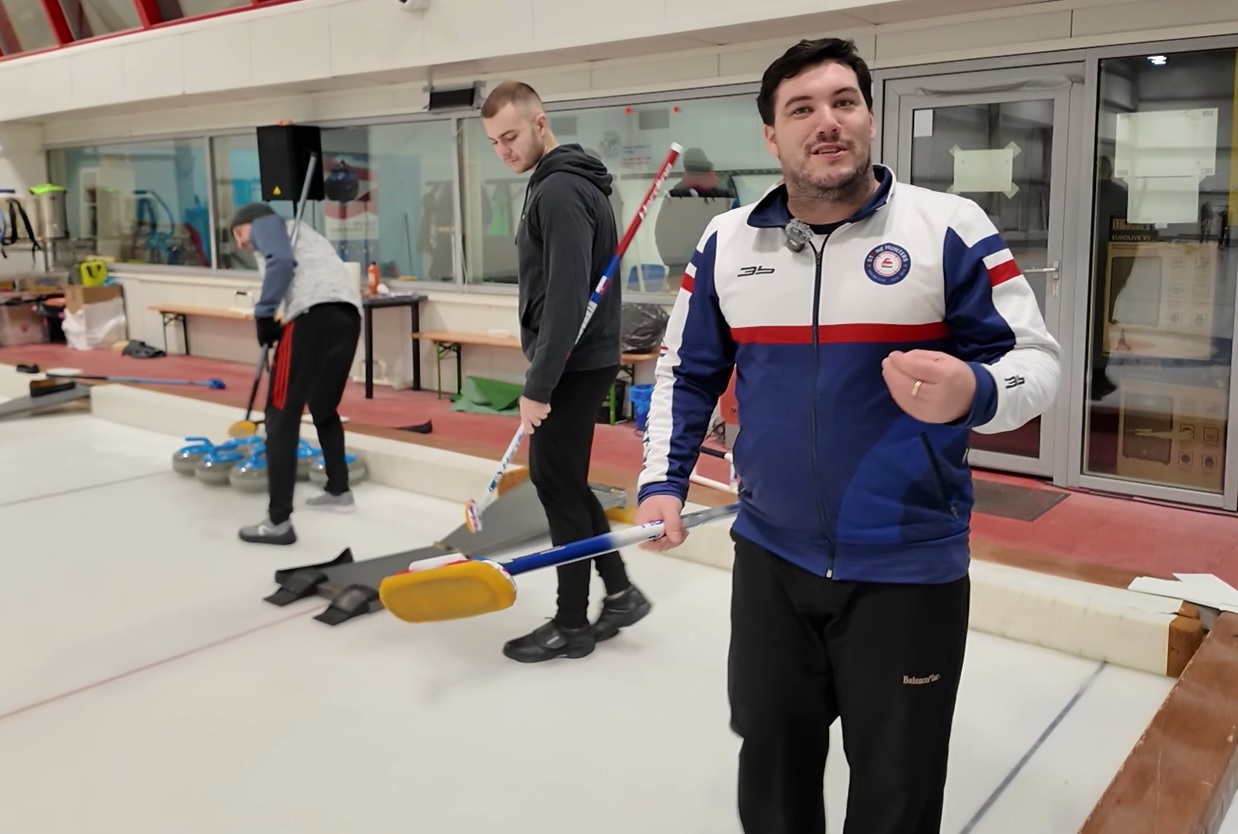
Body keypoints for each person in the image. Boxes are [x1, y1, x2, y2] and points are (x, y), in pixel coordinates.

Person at [633, 37, 1060, 834]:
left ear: (870, 117)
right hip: (771, 561)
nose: (826, 122)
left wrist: (974, 390)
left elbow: (1035, 364)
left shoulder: (948, 227)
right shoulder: (727, 242)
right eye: (801, 109)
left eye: (843, 102)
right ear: (772, 137)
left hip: (908, 569)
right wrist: (663, 482)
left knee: (896, 795)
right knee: (772, 773)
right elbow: (684, 374)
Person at [480, 80, 651, 662]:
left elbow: (567, 297)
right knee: (566, 485)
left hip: (572, 364)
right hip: (577, 360)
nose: (503, 150)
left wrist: (539, 384)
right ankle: (620, 593)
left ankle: (572, 623)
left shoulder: (558, 190)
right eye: (494, 142)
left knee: (556, 487)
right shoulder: (562, 182)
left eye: (510, 136)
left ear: (540, 122)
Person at [229, 202, 364, 545]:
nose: (241, 243)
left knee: (280, 414)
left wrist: (263, 315)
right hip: (347, 316)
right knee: (323, 407)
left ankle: (278, 522)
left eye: (239, 234)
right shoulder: (307, 235)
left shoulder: (267, 223)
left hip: (311, 315)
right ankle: (339, 490)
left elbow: (281, 263)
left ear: (252, 222)